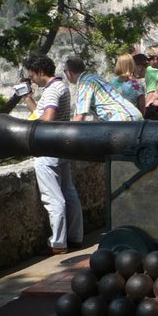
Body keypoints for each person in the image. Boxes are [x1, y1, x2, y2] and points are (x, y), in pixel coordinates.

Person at [21, 55, 84, 255]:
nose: (32, 79)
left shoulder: (51, 92)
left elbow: (47, 118)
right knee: (69, 192)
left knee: (53, 198)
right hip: (61, 147)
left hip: (47, 149)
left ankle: (58, 243)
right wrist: (28, 98)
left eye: (32, 75)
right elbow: (43, 112)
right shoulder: (61, 87)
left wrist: (33, 129)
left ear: (41, 72)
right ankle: (75, 237)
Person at [64, 57, 142, 122]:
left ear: (69, 73)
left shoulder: (84, 83)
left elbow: (80, 116)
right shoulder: (96, 78)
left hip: (121, 119)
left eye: (65, 71)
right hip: (135, 115)